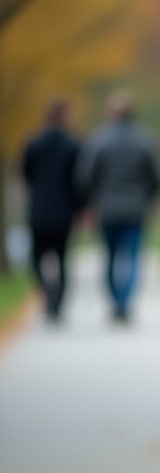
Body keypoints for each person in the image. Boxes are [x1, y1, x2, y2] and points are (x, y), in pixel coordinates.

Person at [76, 90, 160, 323]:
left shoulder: (98, 140)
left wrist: (88, 203)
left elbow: (86, 176)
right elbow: (156, 177)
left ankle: (116, 302)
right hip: (135, 208)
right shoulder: (145, 140)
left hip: (107, 208)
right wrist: (149, 198)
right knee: (133, 258)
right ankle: (124, 303)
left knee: (110, 257)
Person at [21, 99, 81, 322]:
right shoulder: (72, 145)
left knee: (36, 257)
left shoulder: (33, 144)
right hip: (64, 212)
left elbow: (26, 174)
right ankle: (57, 302)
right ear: (63, 117)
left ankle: (47, 292)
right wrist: (81, 207)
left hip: (39, 210)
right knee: (62, 258)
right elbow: (78, 181)